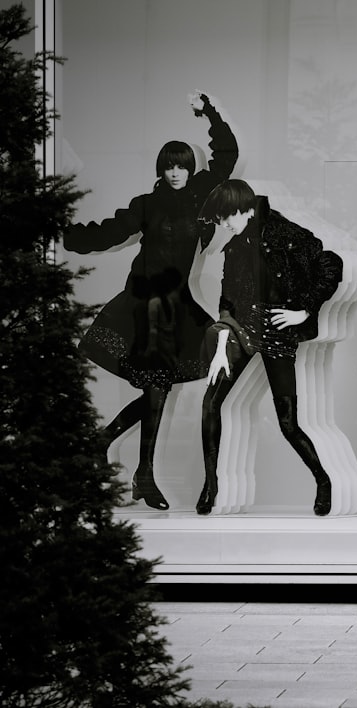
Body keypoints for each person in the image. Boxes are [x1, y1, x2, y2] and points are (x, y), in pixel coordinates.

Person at [64, 92, 238, 510]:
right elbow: (106, 233)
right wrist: (60, 230)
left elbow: (227, 153)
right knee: (157, 388)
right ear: (160, 169)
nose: (175, 173)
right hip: (144, 304)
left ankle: (116, 451)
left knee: (159, 389)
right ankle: (141, 471)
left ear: (190, 169)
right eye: (168, 166)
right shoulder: (146, 205)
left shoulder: (201, 194)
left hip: (177, 304)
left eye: (181, 166)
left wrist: (209, 112)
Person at [196, 179, 343, 516]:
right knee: (210, 402)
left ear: (243, 209)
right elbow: (227, 301)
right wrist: (222, 345)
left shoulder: (285, 233)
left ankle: (323, 480)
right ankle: (211, 483)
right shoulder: (234, 247)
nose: (223, 225)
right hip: (243, 330)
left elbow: (330, 265)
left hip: (277, 331)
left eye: (224, 217)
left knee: (287, 424)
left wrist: (304, 310)